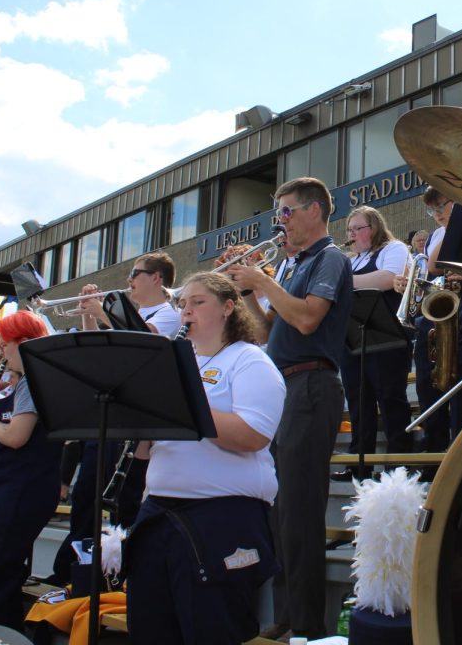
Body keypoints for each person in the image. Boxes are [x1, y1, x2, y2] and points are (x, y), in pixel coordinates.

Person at [125, 271, 285, 644]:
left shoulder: (250, 361)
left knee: (212, 631)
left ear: (229, 307)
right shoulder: (178, 366)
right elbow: (145, 451)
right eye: (182, 304)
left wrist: (184, 403)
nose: (186, 312)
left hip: (221, 519)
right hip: (158, 515)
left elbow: (252, 435)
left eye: (198, 302)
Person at [226, 177, 351, 641]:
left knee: (299, 511)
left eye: (286, 212)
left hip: (312, 384)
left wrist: (260, 278)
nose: (279, 222)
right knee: (277, 512)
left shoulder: (329, 258)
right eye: (277, 213)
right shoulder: (290, 265)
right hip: (282, 387)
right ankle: (286, 615)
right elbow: (264, 333)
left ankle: (308, 626)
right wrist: (245, 292)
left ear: (314, 211)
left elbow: (305, 318)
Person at [49, 252, 184, 584]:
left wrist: (102, 310)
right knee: (86, 495)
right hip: (111, 412)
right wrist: (89, 315)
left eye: (135, 274)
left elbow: (143, 339)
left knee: (123, 501)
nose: (129, 282)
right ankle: (76, 568)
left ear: (156, 278)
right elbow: (98, 350)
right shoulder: (132, 313)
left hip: (135, 418)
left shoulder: (170, 314)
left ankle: (113, 573)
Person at [0, 311, 61, 632]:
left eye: (4, 344)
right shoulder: (30, 381)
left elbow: (18, 437)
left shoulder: (33, 381)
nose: (1, 352)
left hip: (20, 490)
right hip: (16, 487)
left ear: (24, 343)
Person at [341, 206, 413, 455]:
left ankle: (399, 457)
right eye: (349, 229)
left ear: (374, 228)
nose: (351, 235)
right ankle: (359, 458)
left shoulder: (393, 248)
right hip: (353, 337)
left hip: (388, 337)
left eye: (357, 229)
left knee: (390, 397)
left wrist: (343, 281)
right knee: (357, 401)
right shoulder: (350, 260)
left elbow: (388, 278)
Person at [394, 188, 453, 452]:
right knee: (427, 385)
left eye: (442, 206)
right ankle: (433, 444)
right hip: (434, 316)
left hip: (460, 313)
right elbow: (429, 272)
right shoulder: (436, 235)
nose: (437, 215)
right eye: (432, 210)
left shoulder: (451, 229)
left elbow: (434, 265)